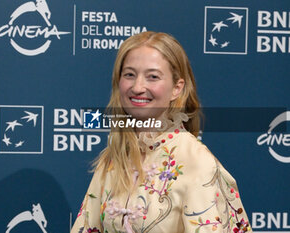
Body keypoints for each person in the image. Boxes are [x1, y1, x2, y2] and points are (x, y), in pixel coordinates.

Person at [71, 31, 252, 233]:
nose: (138, 87)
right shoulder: (113, 159)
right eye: (129, 74)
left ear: (177, 88)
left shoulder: (195, 161)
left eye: (153, 77)